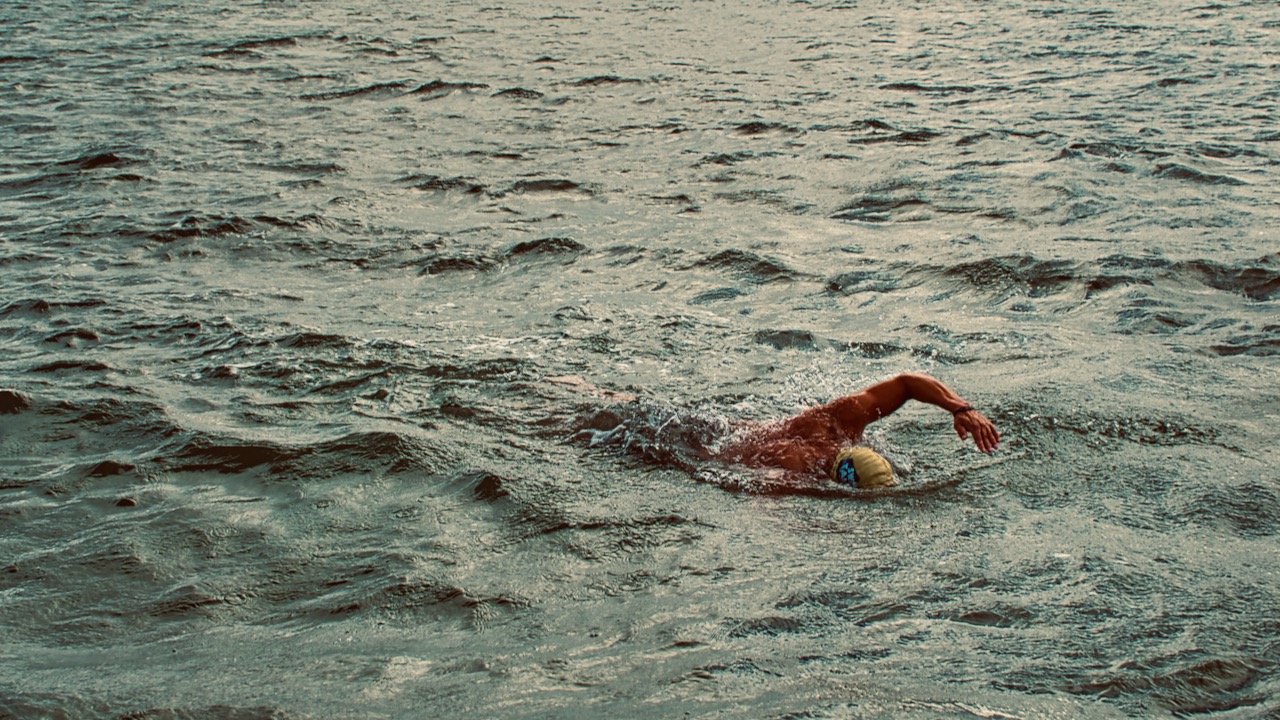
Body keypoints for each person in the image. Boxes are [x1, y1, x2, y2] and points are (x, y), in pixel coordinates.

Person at [716, 373, 1000, 488]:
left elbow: (906, 384)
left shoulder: (840, 422)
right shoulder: (792, 465)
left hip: (741, 429)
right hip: (714, 447)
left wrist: (961, 409)